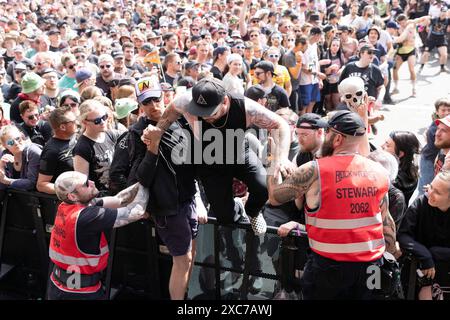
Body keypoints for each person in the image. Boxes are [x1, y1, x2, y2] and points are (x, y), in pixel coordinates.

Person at [267, 110, 399, 300]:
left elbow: (274, 197)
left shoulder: (314, 170)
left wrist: (272, 160)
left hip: (328, 269)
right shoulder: (379, 171)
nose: (325, 137)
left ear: (337, 139)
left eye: (327, 132)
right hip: (372, 267)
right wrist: (388, 257)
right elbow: (387, 225)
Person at [143, 77, 292, 235]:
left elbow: (280, 124)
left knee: (262, 187)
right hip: (209, 160)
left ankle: (253, 212)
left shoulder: (246, 107)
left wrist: (282, 157)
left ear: (225, 101)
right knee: (224, 216)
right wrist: (156, 133)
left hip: (238, 151)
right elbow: (167, 116)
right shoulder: (185, 101)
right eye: (200, 112)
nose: (206, 117)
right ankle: (237, 207)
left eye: (210, 112)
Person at [48, 171, 148, 300]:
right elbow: (136, 212)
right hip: (80, 293)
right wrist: (147, 183)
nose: (92, 182)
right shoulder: (86, 217)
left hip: (60, 285)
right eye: (86, 184)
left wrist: (140, 184)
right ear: (72, 196)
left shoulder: (66, 205)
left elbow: (119, 200)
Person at [397, 171, 450, 300]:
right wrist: (425, 255)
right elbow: (403, 235)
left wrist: (435, 253)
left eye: (437, 192)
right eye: (431, 187)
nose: (430, 193)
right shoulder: (421, 203)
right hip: (419, 270)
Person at [37, 106, 78, 194]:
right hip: (66, 202)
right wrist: (69, 191)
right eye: (73, 121)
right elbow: (41, 185)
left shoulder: (75, 138)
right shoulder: (51, 151)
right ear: (63, 127)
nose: (77, 122)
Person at [418, 98, 450, 195]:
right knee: (425, 188)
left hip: (433, 159)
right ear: (437, 111)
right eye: (443, 110)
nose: (438, 134)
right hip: (428, 159)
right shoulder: (434, 128)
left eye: (449, 110)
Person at [382, 131, 420, 204]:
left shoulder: (395, 179)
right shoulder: (411, 169)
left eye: (387, 145)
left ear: (400, 154)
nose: (381, 146)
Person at [0, 124, 42, 191]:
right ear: (5, 146)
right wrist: (1, 166)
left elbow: (31, 183)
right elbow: (2, 187)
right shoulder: (5, 154)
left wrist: (7, 181)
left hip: (36, 198)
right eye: (10, 142)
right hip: (17, 198)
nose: (16, 143)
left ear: (22, 136)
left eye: (17, 138)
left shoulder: (33, 152)